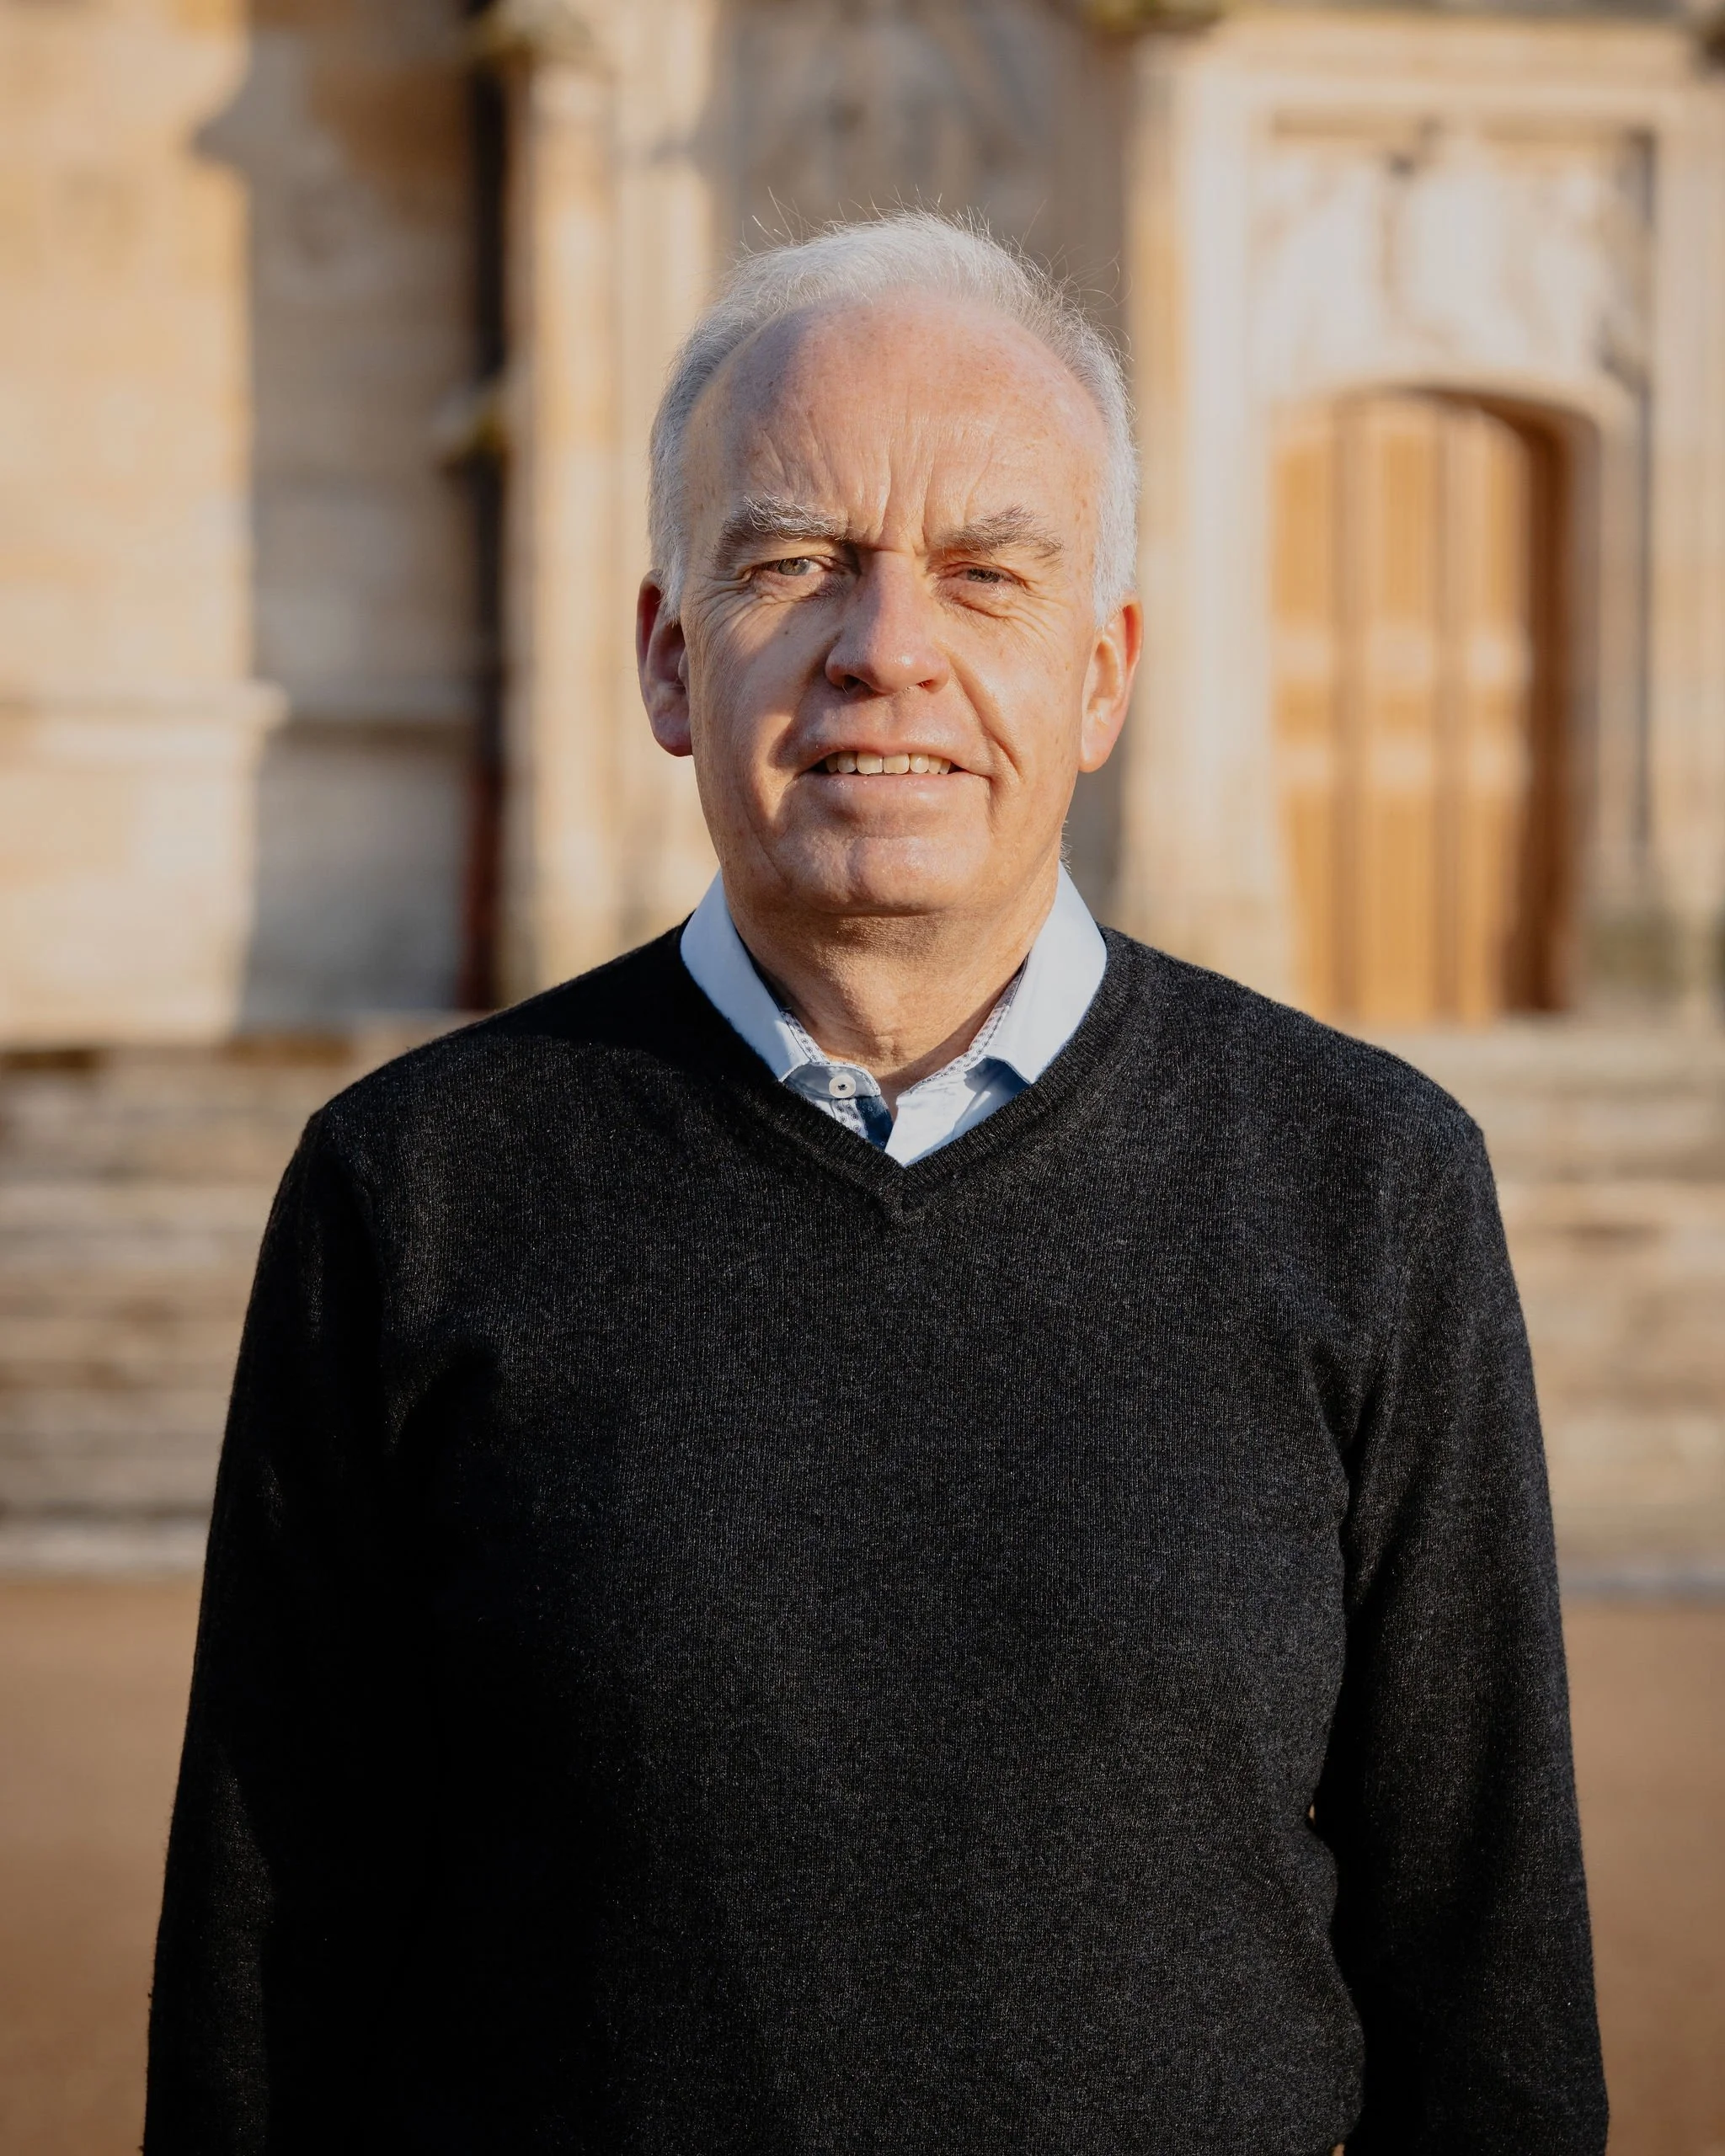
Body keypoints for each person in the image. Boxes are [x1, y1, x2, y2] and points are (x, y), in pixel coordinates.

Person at [146, 213, 1606, 2154]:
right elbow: (269, 1973)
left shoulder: (1372, 1185)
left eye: (985, 575)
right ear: (672, 657)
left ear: (1100, 674)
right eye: (791, 562)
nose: (887, 650)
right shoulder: (408, 1195)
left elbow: (1486, 1978)